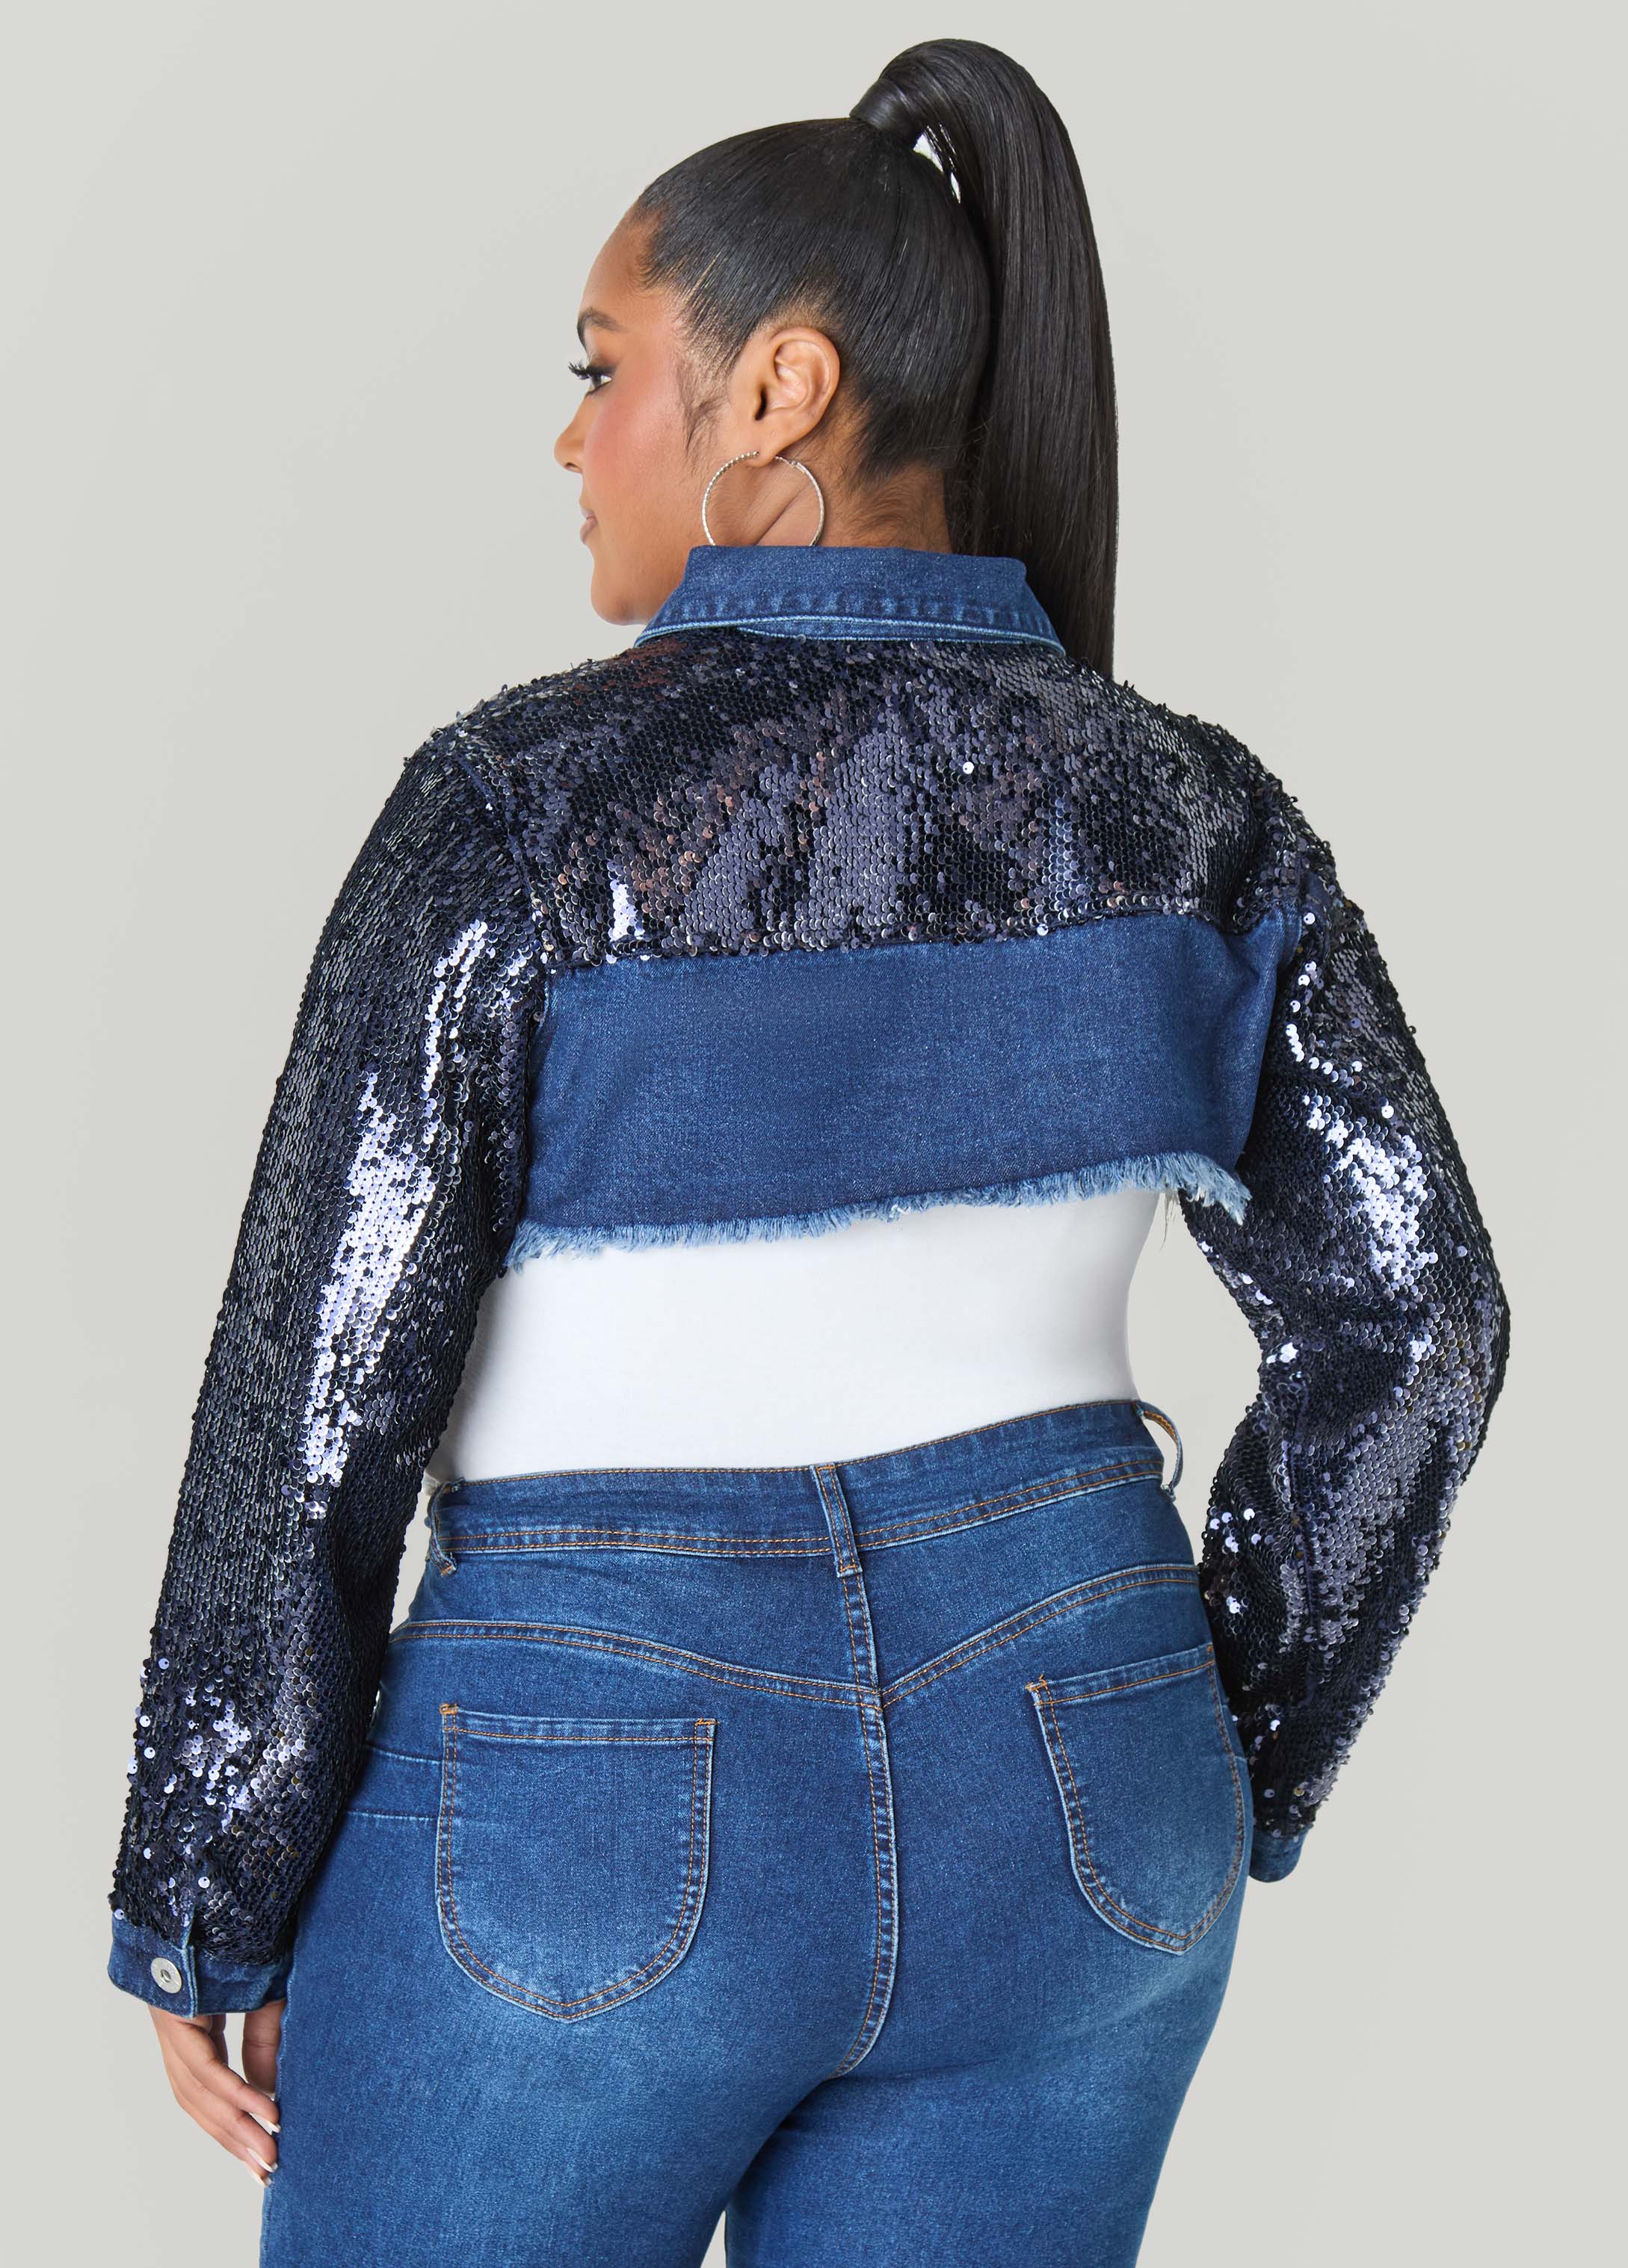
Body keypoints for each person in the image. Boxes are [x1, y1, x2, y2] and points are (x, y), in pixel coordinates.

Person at [105, 37, 1510, 2267]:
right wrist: (1201, 1728)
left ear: (775, 389)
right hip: (1081, 1773)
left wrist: (214, 1870)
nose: (571, 437)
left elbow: (323, 1360)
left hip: (589, 1774)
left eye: (601, 369)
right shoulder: (1192, 810)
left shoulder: (517, 807)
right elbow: (1420, 1323)